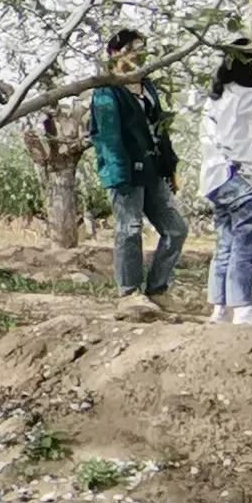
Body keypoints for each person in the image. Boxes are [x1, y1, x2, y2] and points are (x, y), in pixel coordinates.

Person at [89, 26, 186, 307]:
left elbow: (160, 127)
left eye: (141, 47)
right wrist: (119, 176)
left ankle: (157, 290)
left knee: (176, 229)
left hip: (154, 169)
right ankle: (130, 294)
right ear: (115, 53)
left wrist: (171, 167)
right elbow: (108, 136)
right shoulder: (106, 91)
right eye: (131, 48)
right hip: (126, 172)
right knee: (129, 229)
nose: (138, 53)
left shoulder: (148, 85)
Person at [199, 42, 252, 324]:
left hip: (215, 180)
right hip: (243, 176)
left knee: (225, 244)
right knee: (247, 243)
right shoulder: (251, 97)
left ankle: (219, 308)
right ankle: (242, 306)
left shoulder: (214, 98)